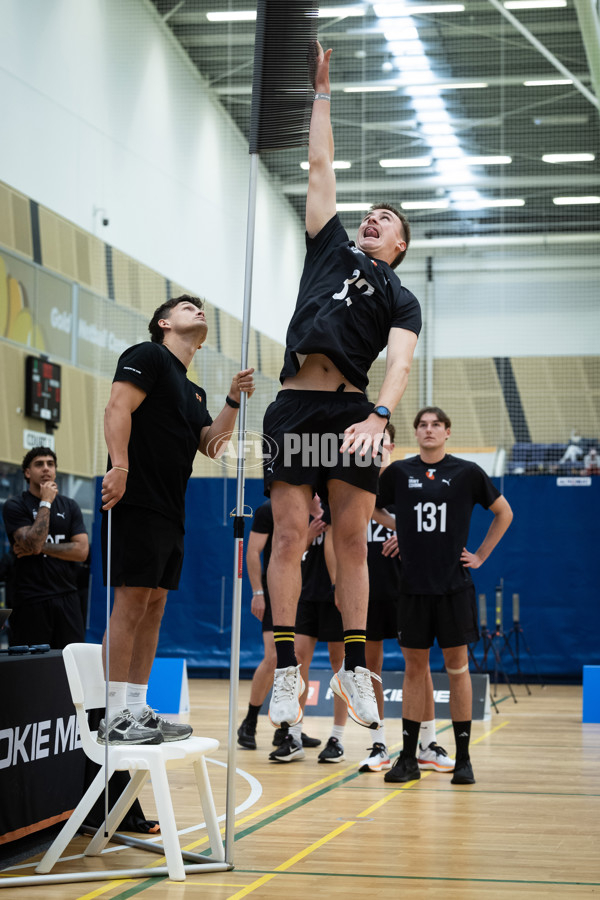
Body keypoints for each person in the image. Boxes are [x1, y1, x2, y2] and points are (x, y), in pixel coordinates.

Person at [263, 41, 421, 734]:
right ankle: (287, 671)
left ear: (400, 245)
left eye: (387, 219)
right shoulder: (328, 243)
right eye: (371, 213)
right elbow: (321, 165)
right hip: (296, 403)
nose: (373, 218)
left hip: (353, 410)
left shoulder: (401, 295)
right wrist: (322, 91)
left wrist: (381, 416)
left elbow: (402, 362)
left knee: (351, 543)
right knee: (290, 536)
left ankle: (355, 666)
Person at [100, 294, 254, 746]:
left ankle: (135, 708)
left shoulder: (194, 390)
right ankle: (111, 714)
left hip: (172, 508)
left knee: (154, 606)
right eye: (186, 307)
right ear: (164, 323)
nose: (198, 310)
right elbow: (116, 408)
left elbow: (212, 444)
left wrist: (232, 399)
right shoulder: (146, 356)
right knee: (131, 603)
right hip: (137, 497)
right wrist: (120, 467)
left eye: (200, 308)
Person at [376, 407, 513, 786]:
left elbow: (504, 512)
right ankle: (407, 758)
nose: (429, 430)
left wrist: (481, 555)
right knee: (414, 671)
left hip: (454, 587)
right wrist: (400, 527)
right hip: (414, 589)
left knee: (458, 670)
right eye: (423, 425)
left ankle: (464, 759)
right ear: (416, 433)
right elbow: (371, 507)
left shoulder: (466, 472)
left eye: (436, 425)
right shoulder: (400, 472)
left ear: (448, 432)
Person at [360, 423, 454, 775]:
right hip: (367, 588)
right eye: (370, 443)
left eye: (381, 442)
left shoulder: (408, 479)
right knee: (371, 667)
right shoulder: (355, 485)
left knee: (419, 665)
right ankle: (379, 745)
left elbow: (435, 527)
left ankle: (427, 743)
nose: (375, 448)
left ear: (392, 445)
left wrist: (409, 536)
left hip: (408, 586)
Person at [237, 499, 320, 752]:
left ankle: (288, 729)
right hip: (278, 591)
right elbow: (253, 551)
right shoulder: (269, 508)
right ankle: (250, 722)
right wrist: (258, 592)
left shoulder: (327, 509)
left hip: (310, 592)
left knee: (299, 661)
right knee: (274, 656)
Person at [269, 495, 347, 763]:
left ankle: (337, 737)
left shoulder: (336, 507)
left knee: (340, 665)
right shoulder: (298, 513)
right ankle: (295, 736)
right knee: (298, 659)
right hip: (306, 595)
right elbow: (286, 553)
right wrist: (309, 533)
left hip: (336, 595)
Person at [2, 447, 88, 648]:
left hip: (67, 598)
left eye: (50, 464)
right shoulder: (15, 505)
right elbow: (32, 541)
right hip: (30, 600)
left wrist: (40, 548)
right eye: (39, 464)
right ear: (27, 472)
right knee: (33, 669)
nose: (46, 468)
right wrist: (46, 502)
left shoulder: (70, 506)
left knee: (68, 664)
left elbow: (81, 551)